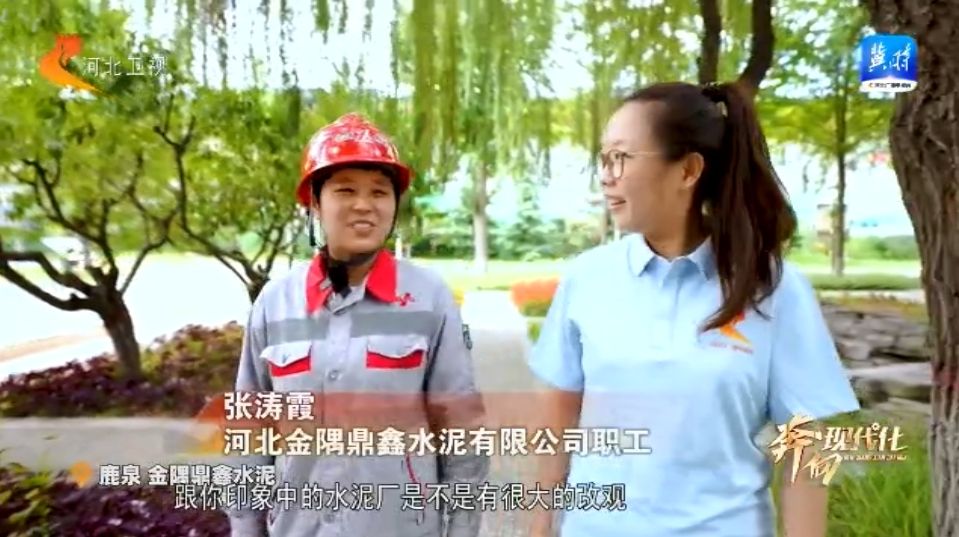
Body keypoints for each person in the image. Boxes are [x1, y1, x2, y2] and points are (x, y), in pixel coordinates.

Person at [528, 81, 860, 537]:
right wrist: (539, 527)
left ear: (688, 170)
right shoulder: (587, 278)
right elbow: (557, 423)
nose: (606, 176)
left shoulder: (773, 287)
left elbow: (807, 452)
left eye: (621, 157)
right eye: (603, 159)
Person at [226, 113, 489, 537]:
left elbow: (462, 433)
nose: (364, 205)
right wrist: (245, 528)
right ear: (315, 203)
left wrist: (461, 530)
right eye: (345, 190)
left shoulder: (429, 299)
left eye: (379, 191)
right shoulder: (275, 304)